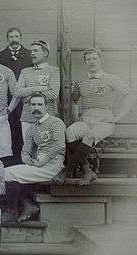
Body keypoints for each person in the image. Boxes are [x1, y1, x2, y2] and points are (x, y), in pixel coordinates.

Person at [53, 47, 135, 185]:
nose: (92, 62)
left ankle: (67, 171)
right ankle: (87, 170)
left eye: (94, 58)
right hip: (85, 118)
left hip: (104, 120)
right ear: (85, 62)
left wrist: (117, 117)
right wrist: (76, 116)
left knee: (89, 135)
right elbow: (74, 100)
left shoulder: (111, 78)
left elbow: (130, 94)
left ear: (100, 60)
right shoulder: (80, 82)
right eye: (88, 59)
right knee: (69, 132)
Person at [5, 93, 66, 221]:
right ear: (29, 107)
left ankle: (15, 209)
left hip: (53, 165)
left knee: (7, 174)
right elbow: (25, 151)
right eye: (33, 104)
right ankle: (26, 205)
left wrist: (43, 160)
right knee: (5, 173)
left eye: (40, 104)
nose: (36, 107)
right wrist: (27, 159)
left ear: (46, 106)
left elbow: (59, 146)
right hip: (38, 164)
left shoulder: (56, 122)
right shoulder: (32, 128)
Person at [0, 27, 33, 165]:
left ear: (20, 37)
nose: (14, 39)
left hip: (24, 97)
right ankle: (11, 159)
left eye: (16, 36)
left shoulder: (29, 54)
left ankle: (24, 157)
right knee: (9, 126)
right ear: (7, 38)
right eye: (11, 37)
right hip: (7, 96)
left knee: (23, 125)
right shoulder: (1, 56)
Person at [15, 40, 60, 141]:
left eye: (35, 51)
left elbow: (53, 94)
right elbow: (18, 92)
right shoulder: (25, 71)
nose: (32, 54)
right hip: (27, 117)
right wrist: (37, 89)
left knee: (45, 148)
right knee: (28, 148)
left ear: (45, 53)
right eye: (31, 51)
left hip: (46, 117)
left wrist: (27, 96)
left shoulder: (53, 71)